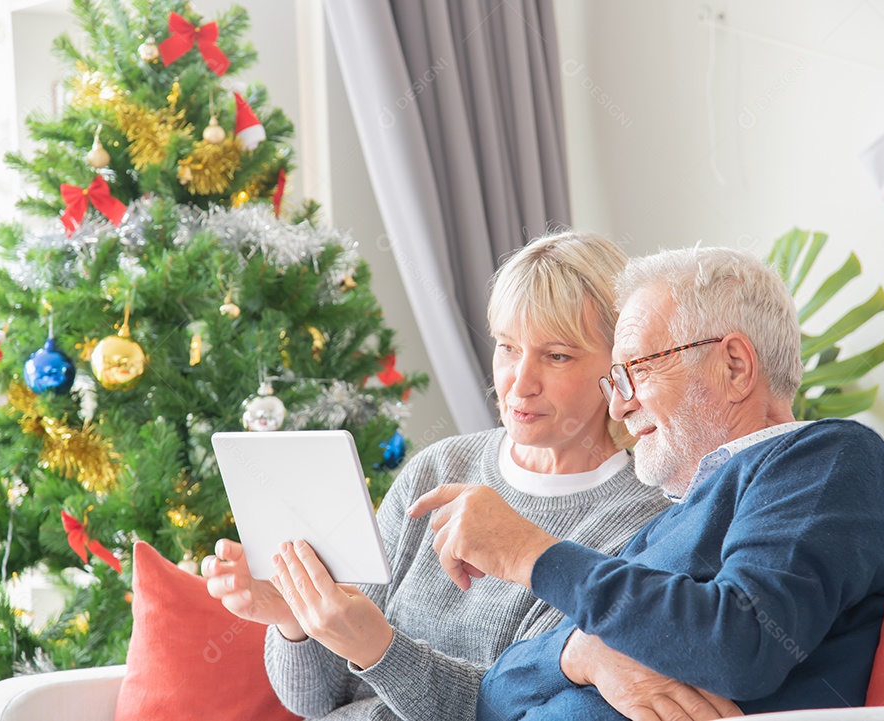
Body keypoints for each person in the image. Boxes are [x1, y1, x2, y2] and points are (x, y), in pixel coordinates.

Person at [411, 246, 884, 718]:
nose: (618, 404)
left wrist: (532, 554)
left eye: (636, 370)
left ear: (734, 366)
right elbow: (495, 695)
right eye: (614, 380)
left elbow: (741, 646)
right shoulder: (668, 524)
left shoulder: (827, 459)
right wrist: (579, 654)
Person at [202, 230, 675, 721]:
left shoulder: (641, 524)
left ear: (620, 367)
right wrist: (294, 618)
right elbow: (317, 699)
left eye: (557, 356)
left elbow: (515, 707)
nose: (520, 381)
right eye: (508, 347)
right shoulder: (437, 469)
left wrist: (380, 649)